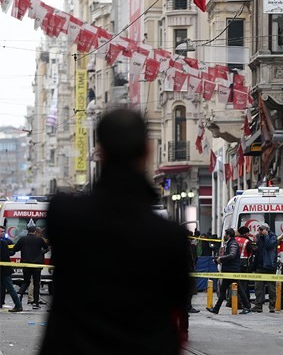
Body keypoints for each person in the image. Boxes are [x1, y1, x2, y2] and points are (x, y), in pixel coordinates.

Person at [40, 108, 192, 354]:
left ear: (100, 151)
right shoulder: (170, 237)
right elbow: (177, 305)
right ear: (148, 150)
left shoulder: (63, 215)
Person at [206, 228, 251, 314]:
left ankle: (247, 307)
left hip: (232, 270)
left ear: (228, 235)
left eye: (225, 234)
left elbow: (232, 255)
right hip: (229, 270)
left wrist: (220, 259)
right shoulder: (230, 243)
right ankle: (216, 309)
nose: (224, 236)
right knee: (224, 290)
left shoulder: (233, 243)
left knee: (238, 289)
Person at [14, 225, 48, 310]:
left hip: (25, 264)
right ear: (35, 231)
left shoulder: (23, 239)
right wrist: (41, 253)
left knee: (26, 282)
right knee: (36, 284)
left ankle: (19, 294)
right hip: (37, 265)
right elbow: (46, 247)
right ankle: (36, 303)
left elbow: (15, 249)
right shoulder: (39, 239)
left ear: (27, 231)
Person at [252, 223, 277, 313]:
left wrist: (266, 236)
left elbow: (269, 246)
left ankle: (272, 306)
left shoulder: (273, 237)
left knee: (271, 288)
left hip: (269, 266)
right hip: (260, 266)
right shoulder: (259, 238)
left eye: (261, 230)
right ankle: (258, 305)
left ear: (266, 230)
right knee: (258, 287)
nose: (259, 231)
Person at [0, 226, 22, 312]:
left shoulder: (5, 242)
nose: (2, 233)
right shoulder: (4, 242)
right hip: (4, 269)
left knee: (10, 288)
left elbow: (12, 251)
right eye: (1, 231)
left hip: (5, 270)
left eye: (3, 231)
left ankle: (18, 305)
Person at [236, 226, 254, 304]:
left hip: (235, 263)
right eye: (247, 232)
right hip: (244, 263)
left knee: (236, 283)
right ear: (245, 233)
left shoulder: (234, 240)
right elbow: (252, 250)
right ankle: (243, 302)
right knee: (243, 284)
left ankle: (234, 301)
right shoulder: (247, 241)